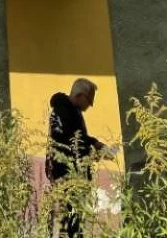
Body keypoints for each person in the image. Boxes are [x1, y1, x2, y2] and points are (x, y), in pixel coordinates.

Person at [46, 78, 114, 237]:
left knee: (76, 220)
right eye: (89, 100)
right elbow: (66, 142)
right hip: (66, 175)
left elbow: (79, 137)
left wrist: (96, 144)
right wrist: (92, 151)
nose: (90, 105)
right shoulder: (61, 112)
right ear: (79, 95)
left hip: (75, 174)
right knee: (69, 221)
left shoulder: (72, 111)